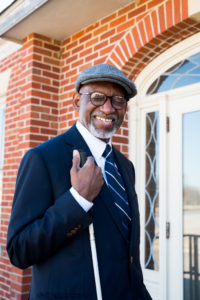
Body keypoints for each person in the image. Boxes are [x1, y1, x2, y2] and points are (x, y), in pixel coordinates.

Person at [7, 64, 152, 300]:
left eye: (118, 100)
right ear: (77, 101)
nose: (108, 107)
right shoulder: (43, 157)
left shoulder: (125, 166)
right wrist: (77, 201)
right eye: (97, 97)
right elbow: (20, 251)